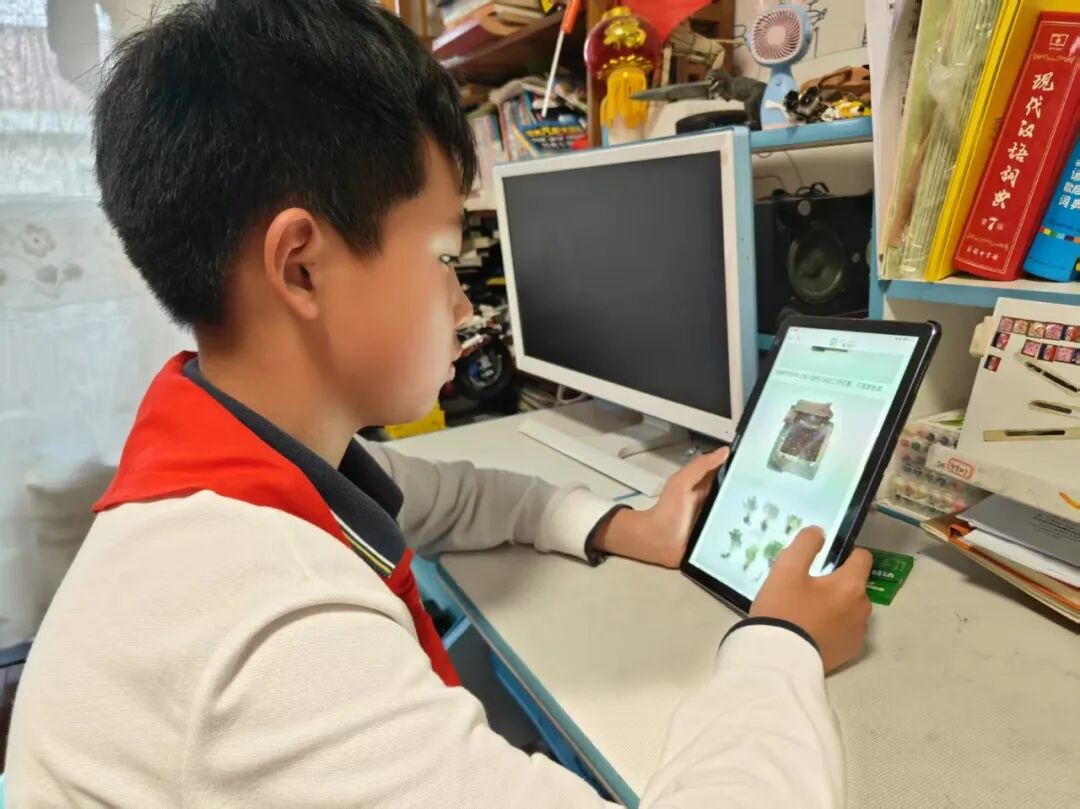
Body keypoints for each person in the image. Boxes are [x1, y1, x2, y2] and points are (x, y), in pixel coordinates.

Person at [4, 1, 873, 806]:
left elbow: (451, 496)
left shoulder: (231, 451)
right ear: (301, 267)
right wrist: (781, 645)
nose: (463, 304)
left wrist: (621, 524)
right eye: (445, 256)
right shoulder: (262, 634)